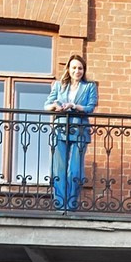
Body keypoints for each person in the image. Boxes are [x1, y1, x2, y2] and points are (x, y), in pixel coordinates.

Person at [44, 53, 96, 212]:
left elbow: (90, 107)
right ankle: (60, 206)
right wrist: (55, 107)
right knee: (58, 169)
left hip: (80, 130)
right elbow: (47, 105)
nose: (77, 71)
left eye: (80, 68)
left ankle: (71, 205)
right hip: (60, 130)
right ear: (68, 69)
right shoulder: (59, 85)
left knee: (75, 170)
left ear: (84, 70)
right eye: (74, 68)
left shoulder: (89, 87)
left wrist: (74, 106)